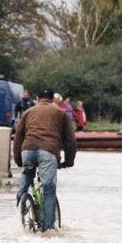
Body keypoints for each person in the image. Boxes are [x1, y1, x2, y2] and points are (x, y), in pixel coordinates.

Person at [13, 88, 77, 232]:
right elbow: (70, 141)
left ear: (37, 98)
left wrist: (17, 158)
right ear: (53, 100)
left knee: (27, 173)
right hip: (48, 151)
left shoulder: (27, 112)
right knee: (48, 189)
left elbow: (17, 138)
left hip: (27, 150)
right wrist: (69, 161)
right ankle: (48, 228)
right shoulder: (60, 113)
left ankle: (21, 195)